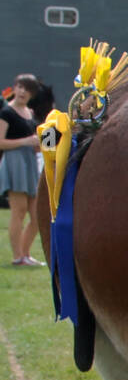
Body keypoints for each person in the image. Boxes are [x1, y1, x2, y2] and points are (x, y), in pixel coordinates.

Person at [0, 74, 45, 267]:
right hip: (14, 162)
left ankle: (25, 254)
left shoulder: (30, 114)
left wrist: (40, 144)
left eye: (27, 89)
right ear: (14, 88)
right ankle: (18, 257)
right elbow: (1, 142)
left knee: (37, 216)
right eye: (20, 87)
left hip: (30, 162)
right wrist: (26, 141)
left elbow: (37, 143)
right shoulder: (6, 113)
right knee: (18, 211)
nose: (22, 92)